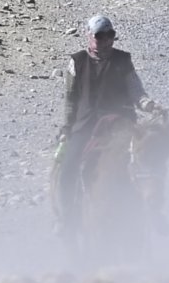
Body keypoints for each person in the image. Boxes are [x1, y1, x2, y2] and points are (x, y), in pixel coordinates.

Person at [53, 14, 153, 227]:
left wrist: (146, 103)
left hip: (120, 124)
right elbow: (71, 99)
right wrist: (67, 128)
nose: (106, 40)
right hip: (86, 125)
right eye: (100, 36)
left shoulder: (123, 60)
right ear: (89, 36)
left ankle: (153, 215)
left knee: (146, 161)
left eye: (110, 35)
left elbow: (136, 89)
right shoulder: (77, 62)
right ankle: (66, 218)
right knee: (68, 167)